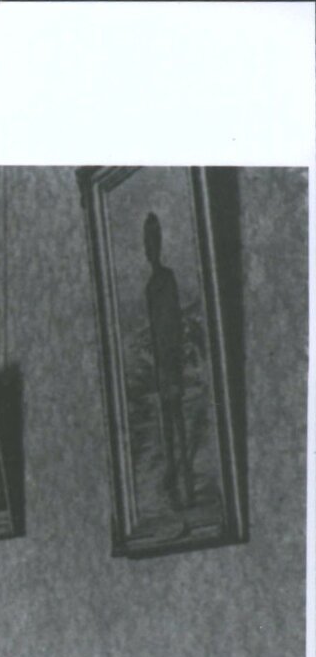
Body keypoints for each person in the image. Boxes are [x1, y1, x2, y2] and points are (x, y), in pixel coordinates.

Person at [141, 211, 194, 509]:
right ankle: (174, 483)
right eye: (146, 245)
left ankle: (186, 484)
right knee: (168, 424)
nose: (150, 250)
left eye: (152, 243)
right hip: (161, 365)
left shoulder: (167, 279)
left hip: (170, 362)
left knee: (178, 422)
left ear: (158, 245)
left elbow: (172, 321)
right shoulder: (150, 287)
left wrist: (174, 360)